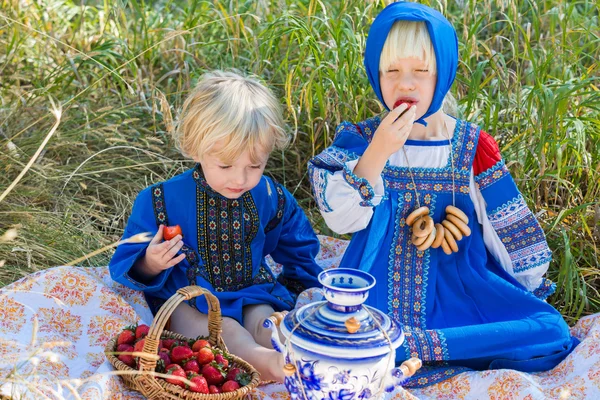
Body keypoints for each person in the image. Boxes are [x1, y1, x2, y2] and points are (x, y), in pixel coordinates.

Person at [308, 1, 578, 388]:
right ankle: (400, 343)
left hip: (461, 288)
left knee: (548, 328)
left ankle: (406, 346)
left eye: (421, 71)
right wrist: (379, 152)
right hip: (378, 289)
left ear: (443, 73)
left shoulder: (470, 145)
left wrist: (525, 282)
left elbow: (501, 223)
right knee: (348, 327)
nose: (406, 84)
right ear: (375, 73)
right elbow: (342, 219)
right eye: (392, 71)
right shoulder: (362, 140)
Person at [110, 70, 322, 382]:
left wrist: (300, 287)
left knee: (268, 323)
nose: (240, 179)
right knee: (226, 333)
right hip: (189, 300)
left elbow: (298, 244)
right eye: (225, 165)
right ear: (195, 148)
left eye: (255, 165)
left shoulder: (269, 195)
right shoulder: (161, 200)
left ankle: (301, 357)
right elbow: (128, 260)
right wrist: (150, 262)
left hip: (250, 289)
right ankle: (271, 367)